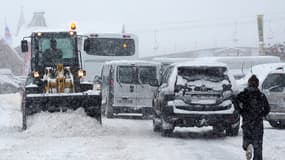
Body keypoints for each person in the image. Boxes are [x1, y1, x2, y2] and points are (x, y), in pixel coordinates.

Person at [236, 75, 270, 160]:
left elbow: (235, 100)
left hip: (247, 120)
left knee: (247, 137)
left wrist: (240, 111)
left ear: (248, 83)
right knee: (258, 143)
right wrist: (261, 114)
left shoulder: (243, 94)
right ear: (257, 84)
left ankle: (247, 146)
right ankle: (257, 156)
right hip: (258, 122)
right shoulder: (261, 96)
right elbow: (267, 108)